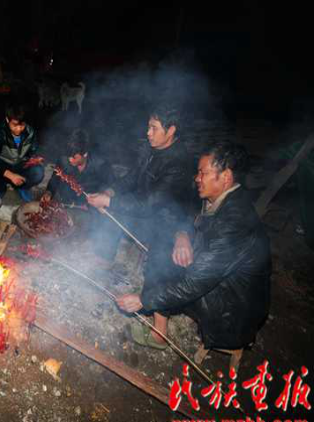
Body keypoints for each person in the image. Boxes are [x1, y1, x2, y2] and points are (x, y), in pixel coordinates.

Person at [116, 143, 271, 352]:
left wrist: (144, 300)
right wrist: (182, 235)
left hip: (233, 312)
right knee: (164, 245)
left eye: (203, 173)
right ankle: (158, 313)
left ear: (226, 177)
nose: (197, 178)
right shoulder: (220, 197)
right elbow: (189, 215)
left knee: (163, 265)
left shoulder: (235, 223)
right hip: (221, 283)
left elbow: (194, 284)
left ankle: (158, 335)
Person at [86, 104, 193, 270]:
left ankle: (146, 250)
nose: (148, 133)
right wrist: (109, 192)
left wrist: (108, 201)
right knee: (110, 205)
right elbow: (132, 177)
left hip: (165, 220)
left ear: (171, 130)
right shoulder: (150, 148)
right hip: (143, 204)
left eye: (154, 128)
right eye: (148, 127)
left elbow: (150, 205)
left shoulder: (178, 163)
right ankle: (105, 255)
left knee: (114, 208)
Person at [0, 100, 45, 202]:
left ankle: (21, 187)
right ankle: (0, 188)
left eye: (22, 125)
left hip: (19, 164)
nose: (18, 129)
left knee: (38, 172)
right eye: (15, 125)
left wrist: (35, 158)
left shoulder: (30, 132)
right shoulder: (0, 132)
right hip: (3, 166)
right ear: (7, 120)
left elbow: (34, 150)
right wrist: (10, 175)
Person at [42, 129, 108, 206]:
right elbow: (54, 179)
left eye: (74, 157)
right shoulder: (63, 160)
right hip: (66, 201)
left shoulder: (100, 165)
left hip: (89, 204)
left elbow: (111, 186)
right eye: (69, 156)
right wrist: (49, 192)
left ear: (85, 154)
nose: (70, 159)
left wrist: (103, 196)